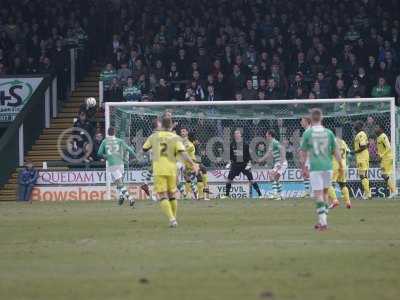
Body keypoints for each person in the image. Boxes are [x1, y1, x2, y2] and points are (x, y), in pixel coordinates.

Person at [142, 113, 199, 228]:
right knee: (172, 194)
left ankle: (172, 219)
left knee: (162, 195)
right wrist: (193, 164)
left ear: (161, 125)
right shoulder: (175, 137)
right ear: (171, 125)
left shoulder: (154, 136)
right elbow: (183, 153)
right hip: (172, 169)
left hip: (159, 169)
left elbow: (144, 149)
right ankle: (174, 218)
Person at [300, 108, 343, 231]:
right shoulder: (329, 132)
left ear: (311, 119)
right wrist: (341, 165)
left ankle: (323, 222)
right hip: (328, 166)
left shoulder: (308, 133)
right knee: (324, 194)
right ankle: (321, 220)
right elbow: (336, 151)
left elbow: (303, 152)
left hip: (315, 167)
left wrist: (304, 167)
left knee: (318, 194)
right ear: (321, 118)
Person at [97, 127, 136, 206]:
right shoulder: (120, 141)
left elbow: (99, 153)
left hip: (112, 164)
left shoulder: (104, 141)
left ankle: (130, 198)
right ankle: (121, 196)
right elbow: (129, 149)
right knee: (118, 182)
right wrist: (136, 156)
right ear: (114, 133)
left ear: (108, 133)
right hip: (121, 163)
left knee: (119, 183)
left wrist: (107, 157)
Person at [224, 129, 262, 198]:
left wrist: (249, 163)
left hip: (244, 164)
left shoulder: (245, 144)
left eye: (238, 133)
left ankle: (260, 195)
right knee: (229, 180)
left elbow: (249, 155)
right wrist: (230, 162)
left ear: (240, 135)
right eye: (235, 134)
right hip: (235, 164)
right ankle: (227, 195)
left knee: (251, 180)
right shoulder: (232, 144)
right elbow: (230, 155)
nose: (236, 135)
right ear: (234, 135)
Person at [327, 137, 352, 209]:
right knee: (343, 184)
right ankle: (348, 202)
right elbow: (348, 153)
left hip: (334, 165)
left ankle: (335, 200)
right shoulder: (342, 142)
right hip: (343, 165)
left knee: (328, 183)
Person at [262, 129, 287, 200]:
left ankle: (275, 194)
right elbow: (269, 154)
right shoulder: (272, 142)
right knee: (276, 178)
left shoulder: (274, 142)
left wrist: (281, 163)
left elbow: (282, 150)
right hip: (280, 162)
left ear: (269, 135)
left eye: (266, 133)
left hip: (281, 162)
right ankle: (281, 195)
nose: (265, 135)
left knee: (271, 175)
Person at [375, 125, 397, 198]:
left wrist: (381, 155)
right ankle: (393, 191)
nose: (376, 129)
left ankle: (394, 191)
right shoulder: (378, 137)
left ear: (381, 129)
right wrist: (378, 154)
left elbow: (388, 147)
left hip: (387, 158)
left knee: (385, 174)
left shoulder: (383, 136)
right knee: (384, 174)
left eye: (377, 127)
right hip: (384, 158)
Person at [178, 128, 199, 200]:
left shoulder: (190, 140)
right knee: (187, 178)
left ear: (187, 132)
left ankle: (195, 193)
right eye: (181, 131)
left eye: (184, 131)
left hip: (191, 160)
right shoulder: (180, 141)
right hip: (184, 161)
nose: (182, 132)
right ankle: (192, 193)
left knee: (191, 176)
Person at [354, 121, 371, 199]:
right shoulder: (363, 134)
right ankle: (366, 192)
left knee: (362, 175)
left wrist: (355, 151)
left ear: (359, 126)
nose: (354, 126)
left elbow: (363, 146)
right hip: (365, 155)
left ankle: (368, 193)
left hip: (361, 156)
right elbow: (368, 144)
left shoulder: (360, 134)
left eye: (356, 124)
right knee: (365, 175)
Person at [300, 117, 311, 197]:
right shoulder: (307, 131)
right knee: (305, 174)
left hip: (311, 156)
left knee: (307, 173)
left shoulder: (308, 131)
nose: (301, 122)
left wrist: (303, 157)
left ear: (307, 121)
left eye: (302, 121)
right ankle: (307, 191)